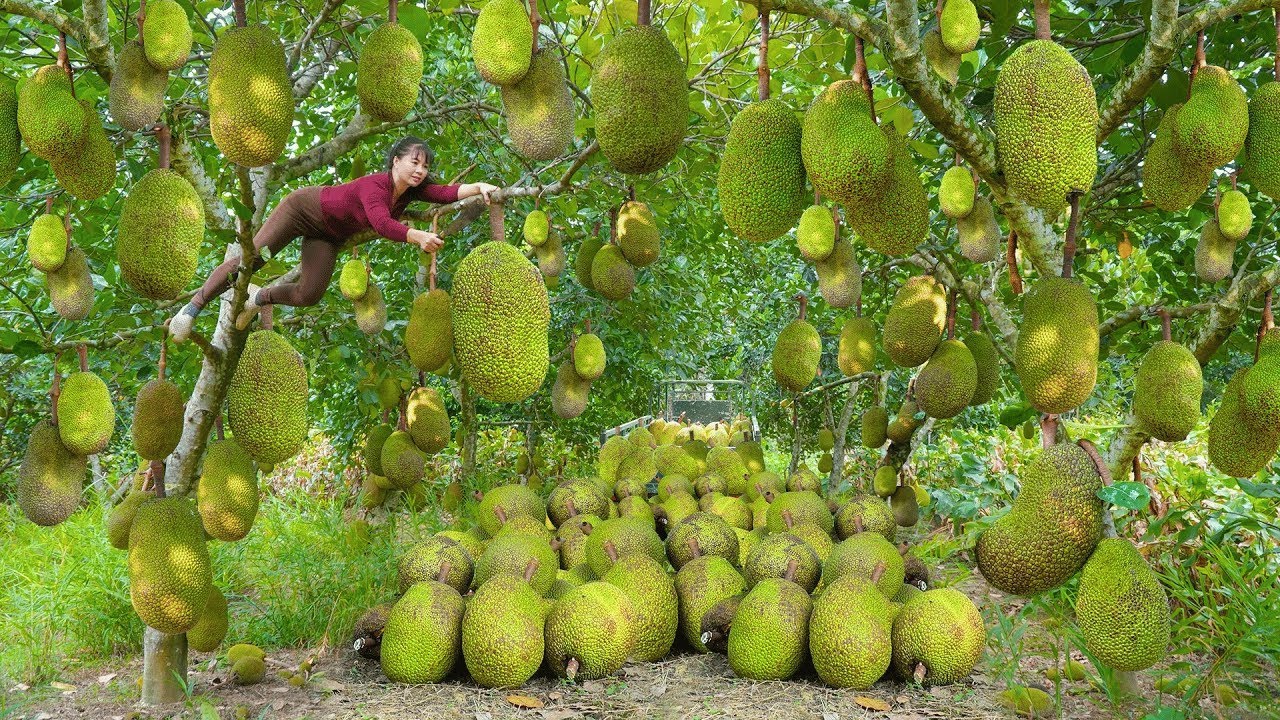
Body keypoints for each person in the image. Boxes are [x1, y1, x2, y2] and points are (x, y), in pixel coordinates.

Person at [168, 135, 499, 341]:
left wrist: (480, 187)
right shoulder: (375, 186)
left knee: (309, 293)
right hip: (303, 210)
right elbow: (382, 224)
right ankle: (193, 308)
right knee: (252, 259)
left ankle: (260, 297)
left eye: (424, 167)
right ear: (396, 161)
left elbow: (446, 193)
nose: (420, 171)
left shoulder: (411, 191)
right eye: (414, 163)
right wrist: (417, 236)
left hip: (327, 236)